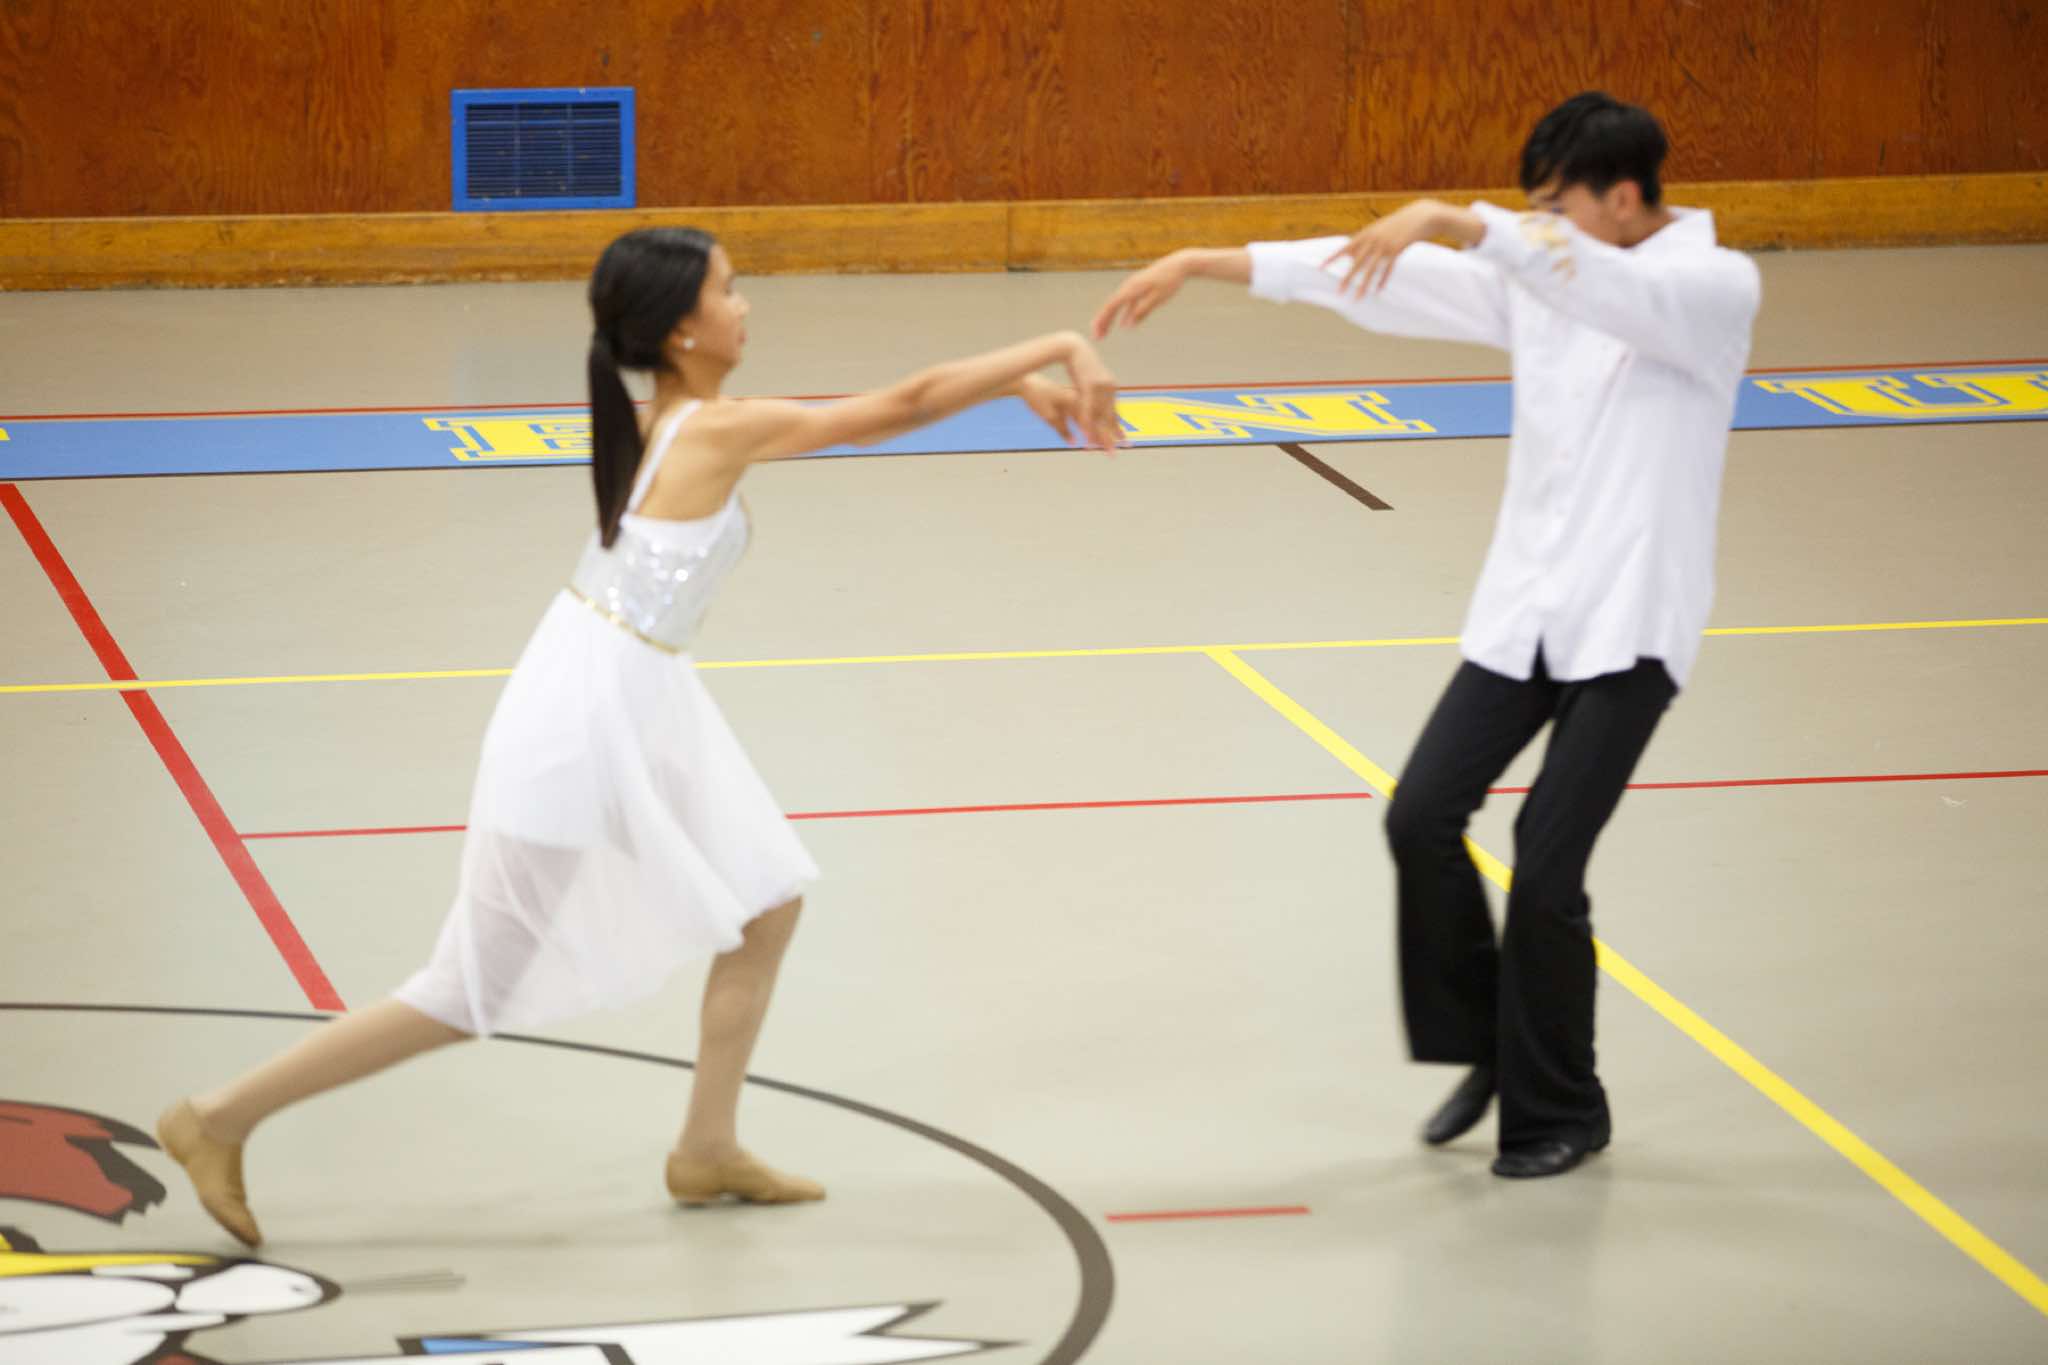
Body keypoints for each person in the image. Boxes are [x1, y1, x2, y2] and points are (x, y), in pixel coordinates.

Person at [159, 226, 1123, 1246]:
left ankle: (706, 1147)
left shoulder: (668, 419)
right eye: (729, 290)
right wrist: (1054, 345)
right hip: (587, 708)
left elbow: (902, 404)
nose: (745, 306)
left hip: (639, 686)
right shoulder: (710, 429)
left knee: (764, 904)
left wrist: (1015, 383)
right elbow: (901, 405)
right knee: (470, 986)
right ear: (679, 330)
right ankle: (217, 1117)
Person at [1094, 92, 1761, 1178]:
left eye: (1556, 207)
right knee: (1418, 817)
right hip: (1527, 611)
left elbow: (1606, 288)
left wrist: (1462, 219)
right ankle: (1491, 1045)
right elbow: (1382, 276)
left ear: (1625, 198)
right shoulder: (1543, 272)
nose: (1537, 225)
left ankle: (1562, 1108)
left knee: (1546, 864)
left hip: (1632, 624)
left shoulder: (1710, 287)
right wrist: (1207, 261)